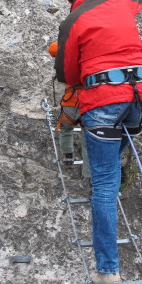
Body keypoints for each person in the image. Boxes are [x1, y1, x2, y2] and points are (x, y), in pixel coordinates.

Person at [54, 0, 142, 284]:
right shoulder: (121, 1)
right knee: (110, 164)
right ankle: (109, 171)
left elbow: (68, 75)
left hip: (103, 101)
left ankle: (108, 271)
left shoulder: (73, 20)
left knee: (104, 183)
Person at [48, 42, 90, 180]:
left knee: (66, 128)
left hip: (71, 102)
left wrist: (66, 41)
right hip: (88, 103)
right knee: (87, 140)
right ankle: (89, 176)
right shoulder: (90, 52)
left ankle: (67, 155)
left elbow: (53, 49)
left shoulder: (69, 51)